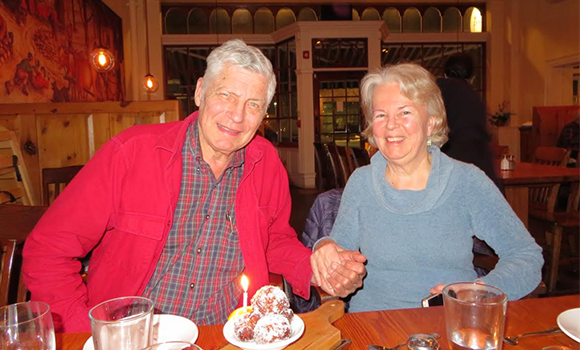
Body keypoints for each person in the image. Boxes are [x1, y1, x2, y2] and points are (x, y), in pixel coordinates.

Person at [23, 39, 365, 332]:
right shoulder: (131, 154)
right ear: (200, 92)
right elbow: (48, 250)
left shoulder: (267, 164)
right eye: (226, 95)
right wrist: (86, 334)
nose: (236, 115)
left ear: (263, 115)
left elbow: (273, 241)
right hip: (136, 335)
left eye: (253, 104)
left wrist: (320, 268)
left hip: (227, 332)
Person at [310, 63, 543, 313]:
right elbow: (340, 258)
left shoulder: (467, 181)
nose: (391, 125)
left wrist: (479, 292)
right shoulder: (361, 182)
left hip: (449, 323)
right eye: (380, 115)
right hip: (373, 325)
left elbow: (526, 256)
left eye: (405, 112)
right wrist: (326, 253)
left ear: (431, 123)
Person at [436, 53, 503, 193]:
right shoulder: (474, 96)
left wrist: (428, 145)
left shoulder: (437, 91)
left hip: (451, 157)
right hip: (481, 160)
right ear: (472, 77)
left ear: (444, 73)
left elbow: (430, 134)